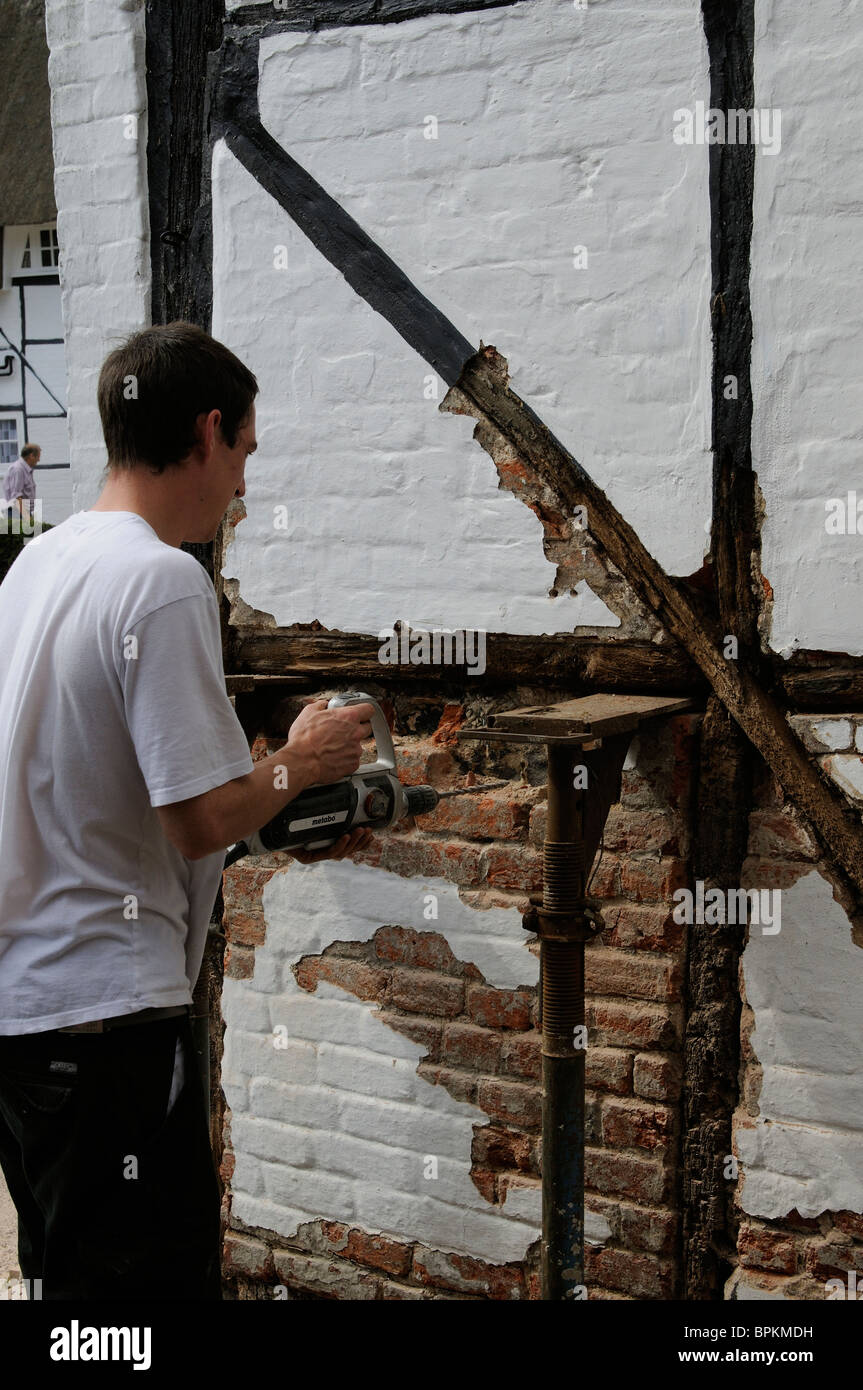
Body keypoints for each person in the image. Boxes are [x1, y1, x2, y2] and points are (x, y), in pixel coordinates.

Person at [0, 322, 374, 1301]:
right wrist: (302, 761)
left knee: (67, 1289)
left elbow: (96, 773)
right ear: (207, 430)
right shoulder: (163, 580)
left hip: (25, 1016)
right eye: (244, 451)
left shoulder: (35, 567)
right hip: (106, 1021)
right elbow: (201, 817)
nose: (243, 485)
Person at [2, 442, 40, 523]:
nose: (38, 460)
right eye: (38, 457)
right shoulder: (18, 469)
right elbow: (16, 496)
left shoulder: (25, 469)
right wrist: (27, 518)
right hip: (17, 514)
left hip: (22, 512)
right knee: (23, 535)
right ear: (31, 456)